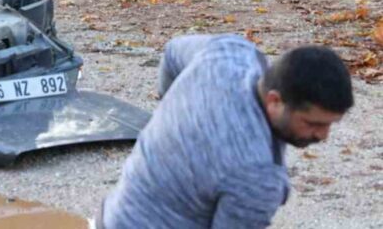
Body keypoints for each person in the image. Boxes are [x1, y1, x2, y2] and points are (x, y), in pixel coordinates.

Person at [99, 34, 354, 228]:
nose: (323, 136)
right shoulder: (257, 175)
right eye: (313, 124)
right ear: (275, 100)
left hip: (113, 215)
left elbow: (173, 52)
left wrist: (170, 115)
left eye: (330, 124)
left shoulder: (228, 53)